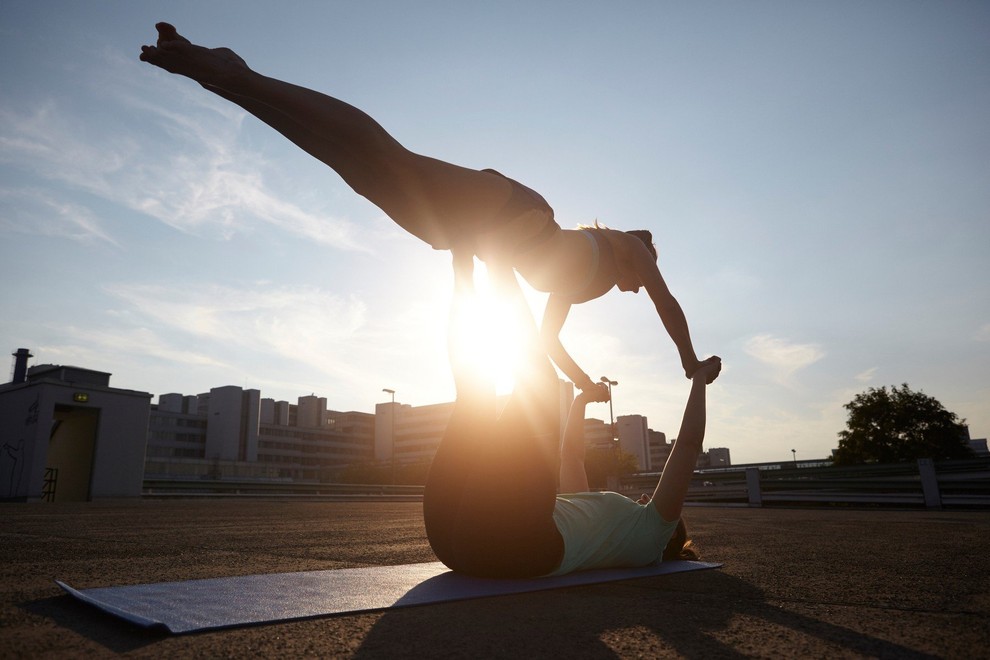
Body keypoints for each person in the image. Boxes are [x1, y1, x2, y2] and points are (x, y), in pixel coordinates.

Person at [139, 23, 716, 392]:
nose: (640, 287)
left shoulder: (574, 288)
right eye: (642, 278)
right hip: (514, 210)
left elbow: (544, 342)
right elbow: (668, 303)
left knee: (360, 173)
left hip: (476, 239)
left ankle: (223, 79)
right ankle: (233, 71)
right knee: (389, 159)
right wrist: (688, 363)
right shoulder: (629, 249)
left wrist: (585, 384)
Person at [423, 247, 721, 578]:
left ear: (670, 528)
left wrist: (699, 380)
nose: (645, 495)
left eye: (653, 501)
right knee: (474, 394)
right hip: (457, 541)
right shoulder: (606, 521)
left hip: (517, 542)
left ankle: (497, 256)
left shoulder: (653, 531)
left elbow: (689, 446)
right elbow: (571, 458)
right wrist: (580, 401)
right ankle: (461, 257)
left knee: (539, 382)